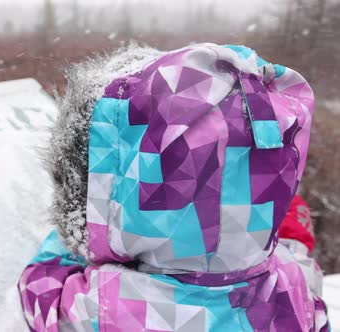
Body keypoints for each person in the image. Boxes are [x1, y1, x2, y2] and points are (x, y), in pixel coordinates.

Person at [18, 43, 329, 331]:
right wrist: (257, 221)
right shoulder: (292, 287)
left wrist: (76, 233)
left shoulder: (104, 306)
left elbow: (39, 286)